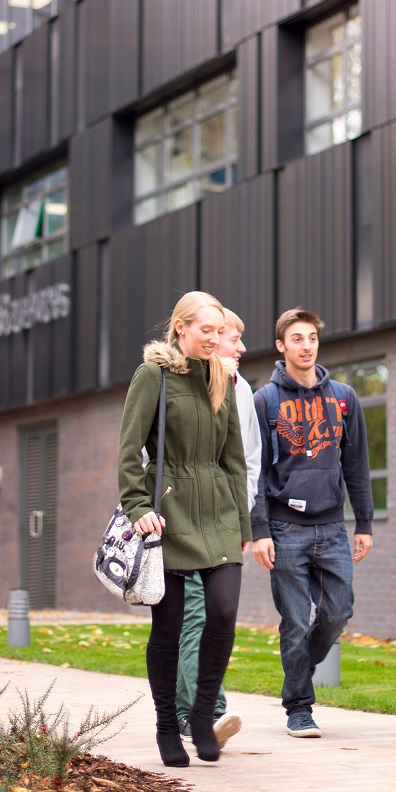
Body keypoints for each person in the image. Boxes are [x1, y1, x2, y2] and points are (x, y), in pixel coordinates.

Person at [117, 291, 251, 767]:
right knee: (169, 629)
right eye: (206, 330)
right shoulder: (152, 375)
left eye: (220, 331)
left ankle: (201, 714)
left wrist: (243, 522)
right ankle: (166, 725)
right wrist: (137, 507)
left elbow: (233, 458)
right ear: (181, 328)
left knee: (224, 611)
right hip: (169, 514)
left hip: (218, 512)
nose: (215, 338)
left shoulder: (223, 377)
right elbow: (130, 447)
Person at [250, 307, 374, 738]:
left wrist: (365, 523)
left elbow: (357, 464)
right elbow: (256, 472)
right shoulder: (264, 400)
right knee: (296, 620)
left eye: (312, 338)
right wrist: (260, 531)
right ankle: (299, 707)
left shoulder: (343, 397)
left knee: (339, 612)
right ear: (281, 346)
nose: (306, 346)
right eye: (296, 339)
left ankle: (296, 676)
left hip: (332, 527)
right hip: (284, 529)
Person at [176, 307, 261, 749]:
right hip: (182, 522)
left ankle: (189, 712)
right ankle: (207, 713)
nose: (241, 347)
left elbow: (246, 459)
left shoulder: (238, 387)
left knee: (216, 616)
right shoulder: (174, 379)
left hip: (224, 522)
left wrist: (238, 517)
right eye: (233, 338)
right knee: (195, 615)